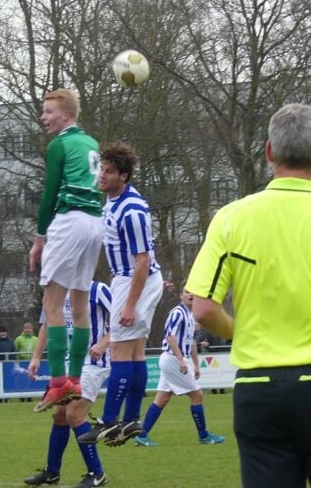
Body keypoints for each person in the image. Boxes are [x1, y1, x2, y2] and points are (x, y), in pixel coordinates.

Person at [186, 103, 311, 488]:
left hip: (258, 391)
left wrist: (239, 332)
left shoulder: (230, 218)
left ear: (269, 151)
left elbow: (205, 309)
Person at [77, 143, 163, 446]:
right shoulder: (112, 200)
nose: (102, 175)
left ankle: (111, 421)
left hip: (133, 279)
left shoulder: (132, 209)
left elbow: (142, 260)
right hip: (129, 279)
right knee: (136, 351)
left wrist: (129, 304)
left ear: (123, 176)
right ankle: (130, 421)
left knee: (122, 351)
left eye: (109, 171)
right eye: (101, 168)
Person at [29, 89, 104, 410]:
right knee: (80, 301)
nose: (44, 117)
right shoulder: (91, 143)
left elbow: (48, 195)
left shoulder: (59, 144)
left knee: (53, 301)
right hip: (94, 221)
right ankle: (75, 380)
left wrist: (39, 238)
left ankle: (58, 382)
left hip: (70, 219)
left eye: (49, 112)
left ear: (67, 115)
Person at [23, 281, 112, 488]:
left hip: (94, 364)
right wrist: (36, 358)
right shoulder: (56, 292)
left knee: (74, 414)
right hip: (68, 366)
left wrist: (103, 343)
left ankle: (97, 473)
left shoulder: (98, 290)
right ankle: (52, 472)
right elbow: (46, 326)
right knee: (60, 416)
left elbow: (123, 320)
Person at [133, 288, 226, 447]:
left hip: (175, 360)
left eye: (193, 292)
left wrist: (196, 365)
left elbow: (192, 342)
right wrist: (181, 359)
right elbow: (170, 336)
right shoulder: (177, 313)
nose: (191, 295)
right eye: (187, 292)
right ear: (180, 295)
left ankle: (141, 435)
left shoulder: (190, 315)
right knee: (197, 395)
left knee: (162, 399)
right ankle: (204, 435)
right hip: (173, 360)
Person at [194, 322, 225, 394]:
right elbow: (204, 342)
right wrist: (205, 345)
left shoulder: (222, 333)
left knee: (219, 373)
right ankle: (213, 389)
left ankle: (221, 389)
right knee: (213, 373)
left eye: (197, 325)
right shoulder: (206, 333)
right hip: (211, 355)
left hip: (221, 355)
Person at [15, 323, 39, 402]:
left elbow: (38, 351)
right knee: (23, 380)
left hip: (32, 363)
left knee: (31, 379)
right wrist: (17, 361)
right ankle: (21, 398)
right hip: (22, 363)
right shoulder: (18, 339)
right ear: (23, 329)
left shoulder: (36, 339)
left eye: (29, 328)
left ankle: (29, 398)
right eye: (26, 328)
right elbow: (15, 350)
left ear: (32, 329)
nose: (28, 330)